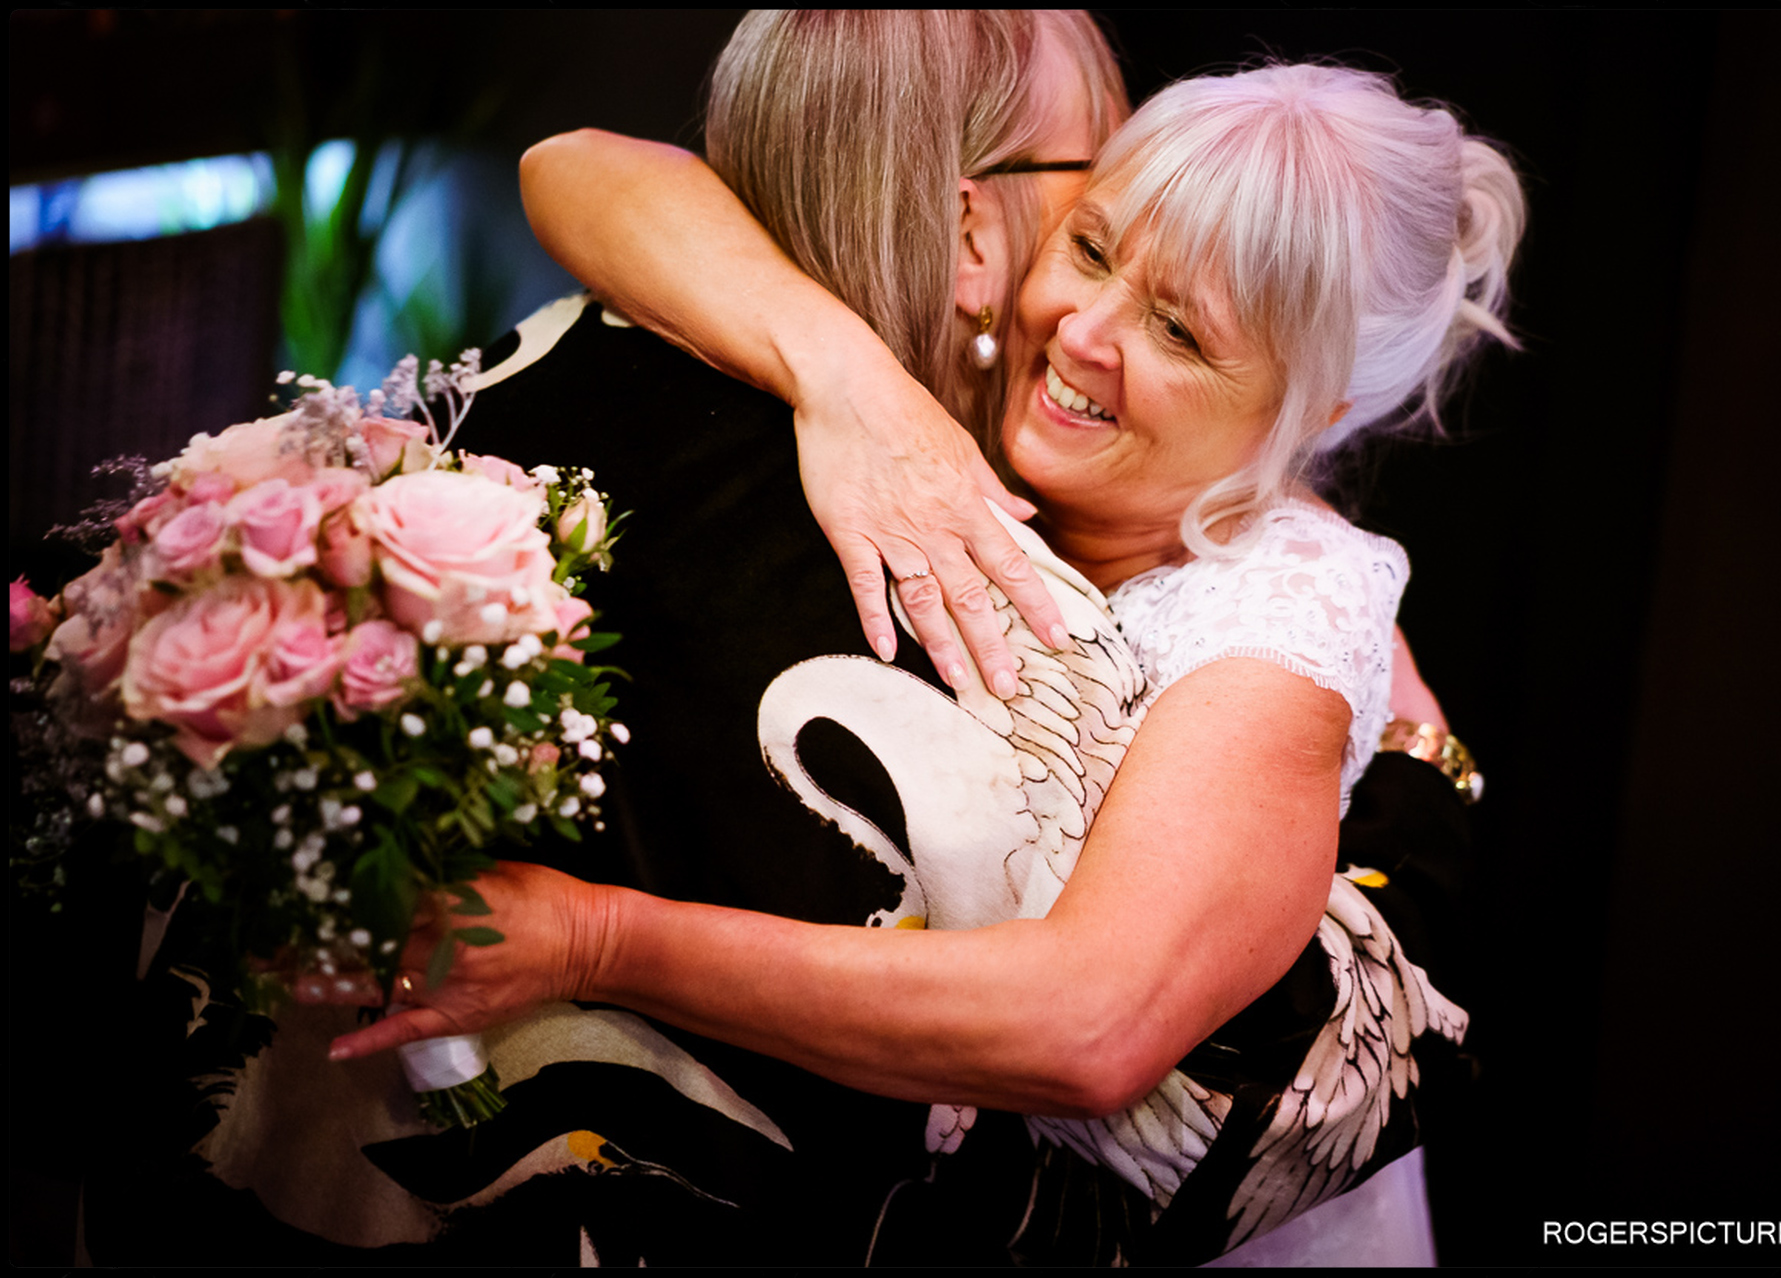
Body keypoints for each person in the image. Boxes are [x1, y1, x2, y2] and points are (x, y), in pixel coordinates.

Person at [326, 45, 1520, 1266]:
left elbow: (1093, 1025)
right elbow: (576, 168)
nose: (1081, 328)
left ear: (1308, 415)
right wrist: (847, 384)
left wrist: (598, 939)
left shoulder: (1282, 612)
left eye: (1177, 329)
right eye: (1095, 247)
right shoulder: (984, 428)